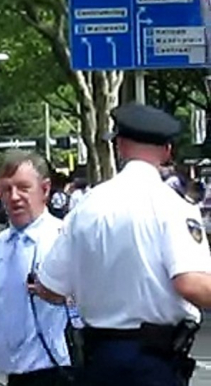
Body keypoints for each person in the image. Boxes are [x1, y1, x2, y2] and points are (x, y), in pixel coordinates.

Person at [36, 103, 211, 386]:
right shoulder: (175, 208)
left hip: (98, 359)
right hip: (153, 362)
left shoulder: (85, 207)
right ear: (167, 150)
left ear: (120, 146)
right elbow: (191, 283)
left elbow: (50, 287)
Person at [0, 150, 71, 386]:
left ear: (45, 189)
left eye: (23, 187)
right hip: (17, 379)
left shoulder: (65, 240)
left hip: (63, 375)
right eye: (6, 189)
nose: (14, 197)